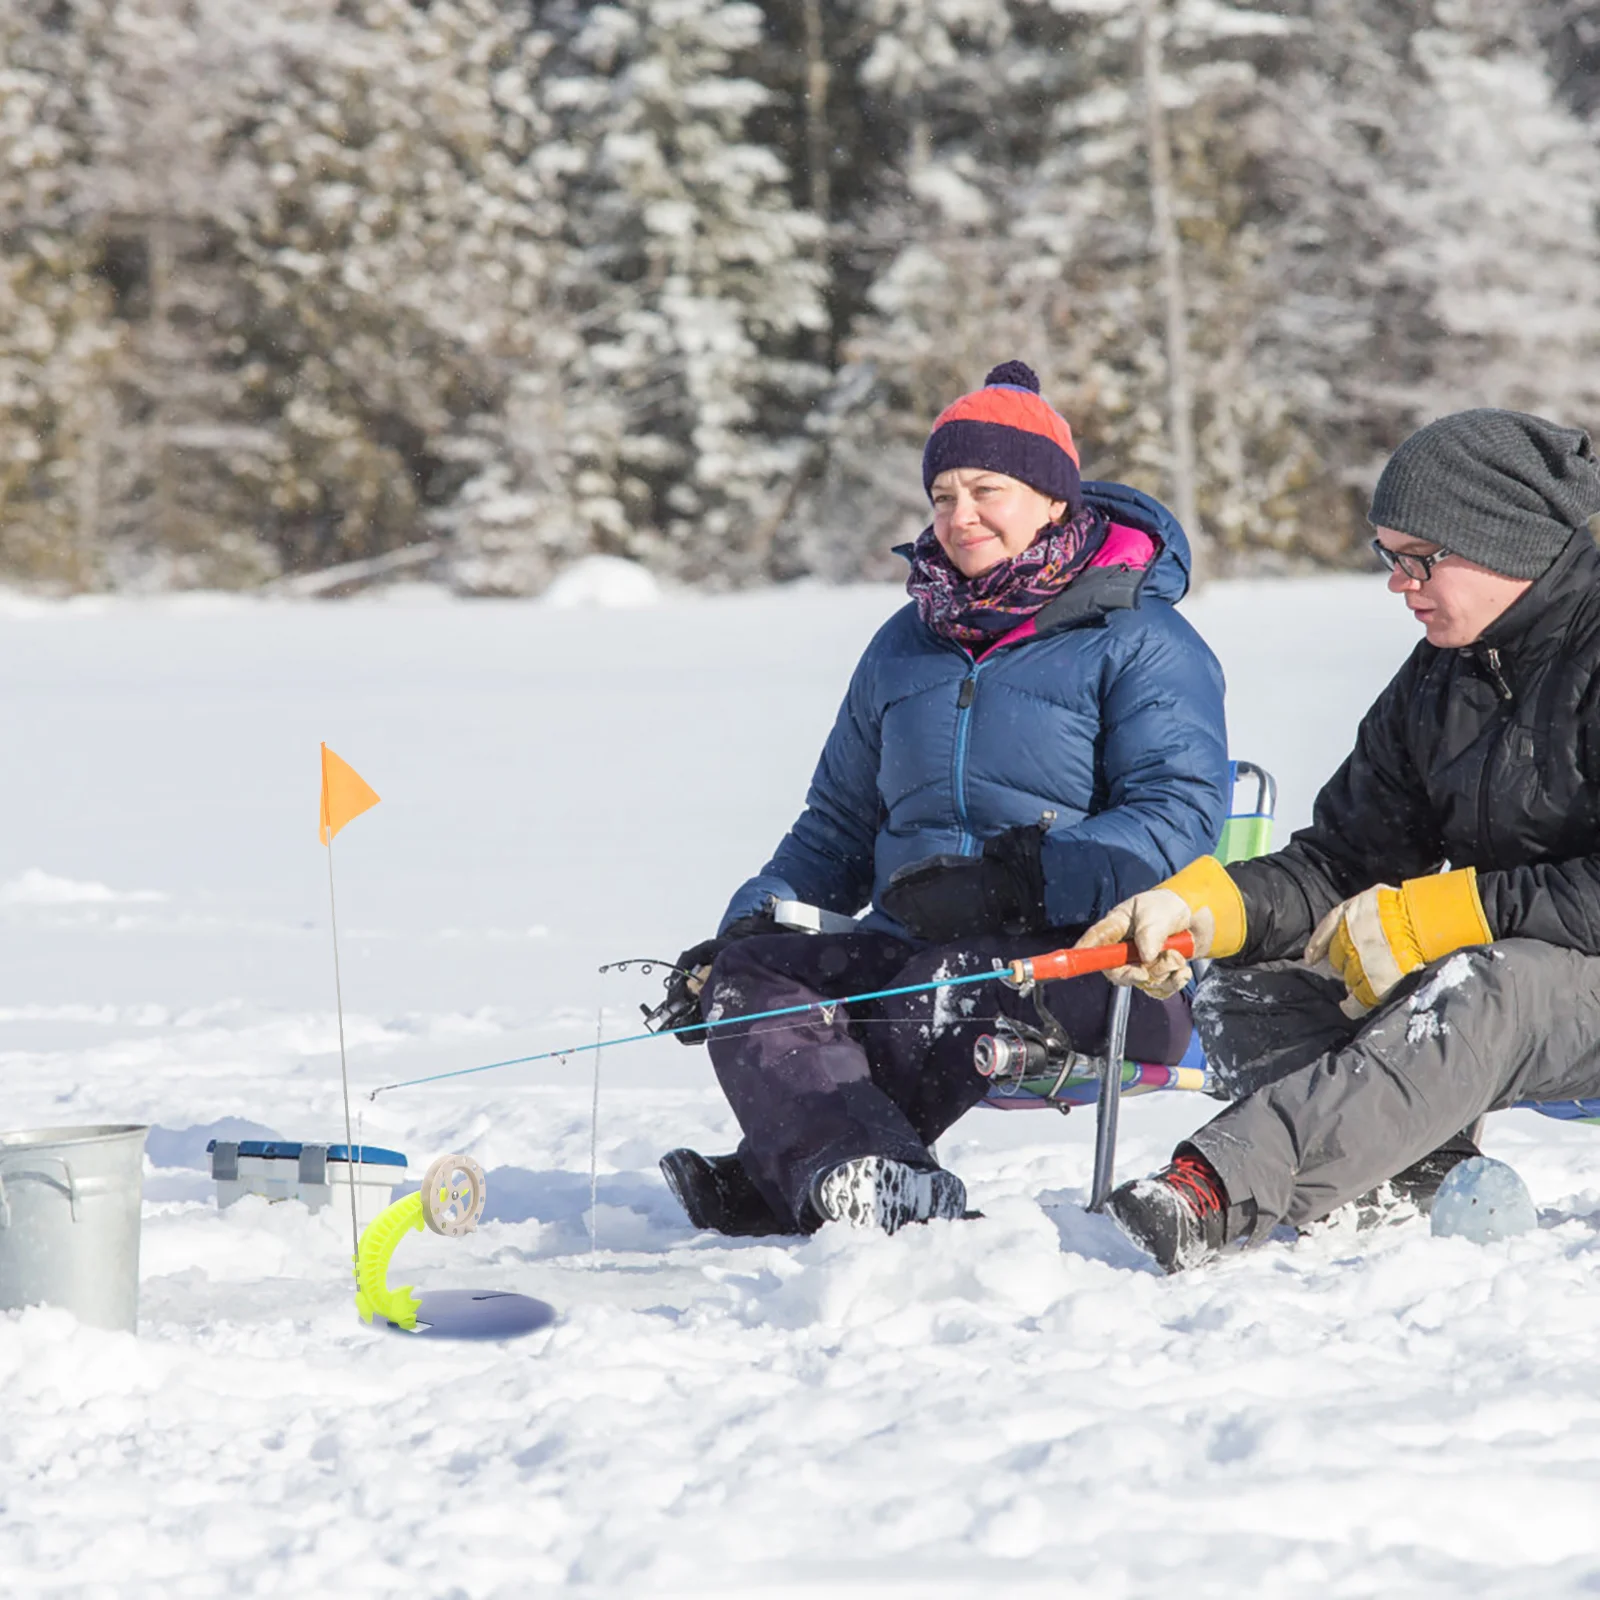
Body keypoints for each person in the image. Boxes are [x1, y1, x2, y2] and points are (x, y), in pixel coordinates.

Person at [657, 360, 1229, 1237]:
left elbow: (1176, 821)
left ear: (1051, 498)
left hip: (1100, 967)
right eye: (942, 495)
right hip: (916, 943)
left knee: (945, 983)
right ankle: (847, 1173)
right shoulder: (904, 645)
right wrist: (752, 922)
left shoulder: (1143, 639)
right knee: (756, 980)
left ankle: (799, 1178)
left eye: (986, 489)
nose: (960, 516)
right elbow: (838, 825)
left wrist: (1023, 881)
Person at [1078, 408, 1600, 1272]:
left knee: (1478, 983)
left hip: (1539, 983)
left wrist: (1451, 911)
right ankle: (1407, 1180)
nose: (1398, 583)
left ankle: (1220, 1187)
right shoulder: (1442, 674)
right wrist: (1205, 906)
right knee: (1253, 987)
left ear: (1502, 539)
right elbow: (1345, 859)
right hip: (1521, 980)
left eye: (1417, 558)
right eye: (1387, 557)